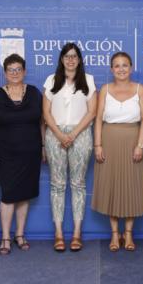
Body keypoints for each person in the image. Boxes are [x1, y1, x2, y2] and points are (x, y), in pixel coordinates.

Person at [0, 53, 44, 255]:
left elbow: (41, 122)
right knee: (8, 195)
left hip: (31, 152)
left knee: (24, 195)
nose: (15, 73)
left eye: (18, 69)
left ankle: (20, 235)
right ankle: (6, 237)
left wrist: (43, 147)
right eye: (11, 70)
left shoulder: (35, 93)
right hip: (5, 154)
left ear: (24, 72)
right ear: (5, 73)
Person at [92, 52, 143, 252]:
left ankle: (129, 234)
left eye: (125, 65)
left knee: (131, 185)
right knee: (112, 186)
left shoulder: (140, 89)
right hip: (108, 140)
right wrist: (97, 145)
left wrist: (140, 145)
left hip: (133, 140)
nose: (121, 69)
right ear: (111, 69)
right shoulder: (105, 89)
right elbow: (98, 119)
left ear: (131, 68)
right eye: (117, 65)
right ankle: (115, 234)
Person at [43, 43, 97, 252]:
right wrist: (58, 133)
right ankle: (58, 233)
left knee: (78, 184)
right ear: (61, 59)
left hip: (81, 134)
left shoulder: (89, 80)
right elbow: (46, 112)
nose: (71, 60)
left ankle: (76, 234)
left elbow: (92, 112)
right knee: (57, 184)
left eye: (74, 56)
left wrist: (73, 134)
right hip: (54, 134)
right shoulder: (51, 80)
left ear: (79, 59)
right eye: (67, 56)